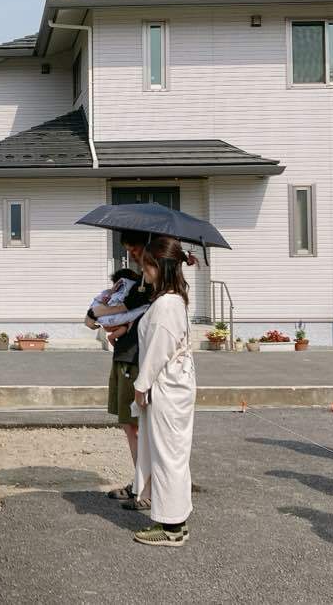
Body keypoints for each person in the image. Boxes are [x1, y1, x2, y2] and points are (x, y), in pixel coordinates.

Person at [130, 235, 196, 546]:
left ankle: (170, 527)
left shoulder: (167, 304)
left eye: (147, 266)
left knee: (167, 456)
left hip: (166, 390)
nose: (143, 272)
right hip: (176, 387)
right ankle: (176, 521)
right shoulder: (174, 298)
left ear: (160, 267)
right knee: (173, 455)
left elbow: (158, 350)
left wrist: (140, 386)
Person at [87, 231, 154, 504]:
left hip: (135, 359)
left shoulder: (148, 286)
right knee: (131, 425)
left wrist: (97, 314)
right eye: (128, 249)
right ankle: (143, 482)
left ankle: (145, 485)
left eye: (135, 248)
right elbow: (99, 318)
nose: (132, 254)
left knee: (137, 426)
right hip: (125, 356)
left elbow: (102, 315)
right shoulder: (134, 284)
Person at [90, 268, 148, 344]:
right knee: (126, 327)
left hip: (109, 322)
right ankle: (111, 338)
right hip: (114, 323)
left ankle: (112, 338)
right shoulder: (126, 294)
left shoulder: (113, 293)